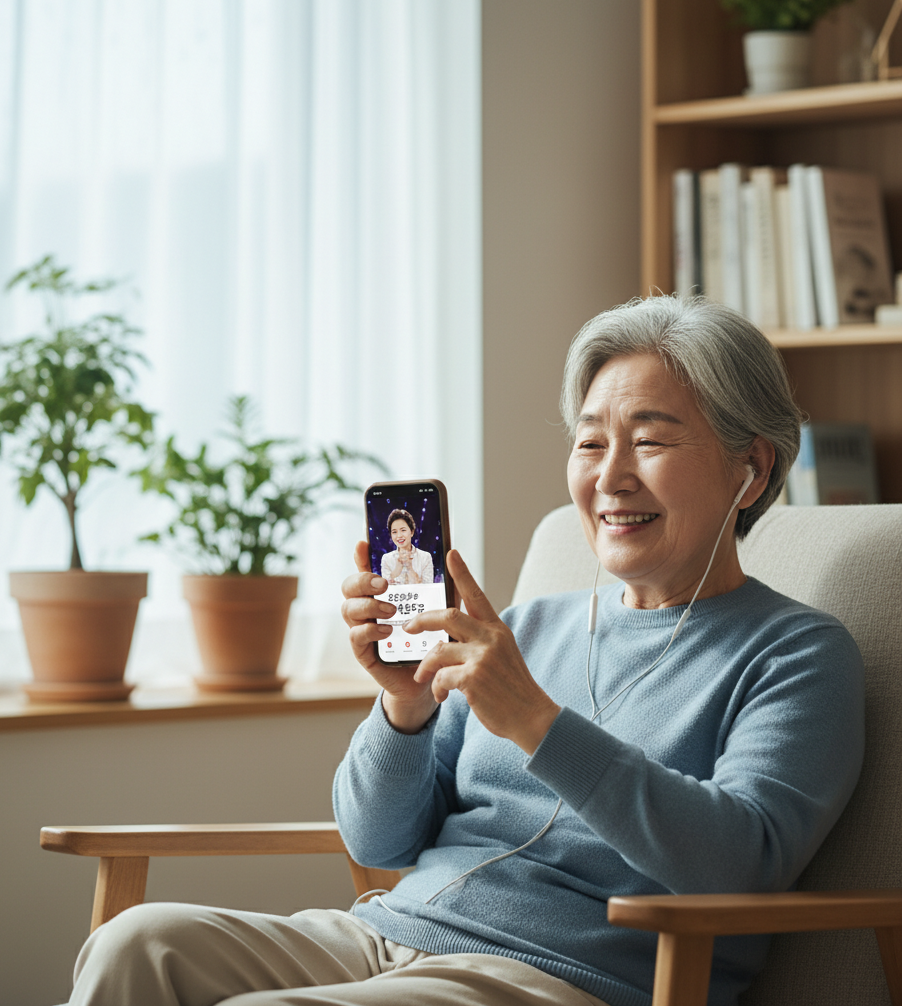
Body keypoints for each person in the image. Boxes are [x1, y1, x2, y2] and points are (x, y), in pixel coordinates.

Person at [62, 296, 864, 1006]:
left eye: (649, 441)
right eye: (589, 445)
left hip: (555, 976)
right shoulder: (529, 627)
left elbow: (743, 865)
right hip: (387, 934)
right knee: (136, 944)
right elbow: (377, 843)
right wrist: (403, 707)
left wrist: (538, 723)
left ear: (750, 469)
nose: (611, 477)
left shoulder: (797, 655)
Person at [381, 508, 435, 585]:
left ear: (412, 532)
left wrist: (410, 568)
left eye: (403, 530)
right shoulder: (386, 559)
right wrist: (396, 571)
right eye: (394, 532)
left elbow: (428, 587)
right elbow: (385, 590)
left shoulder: (425, 557)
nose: (399, 536)